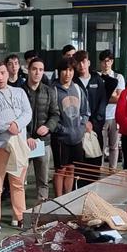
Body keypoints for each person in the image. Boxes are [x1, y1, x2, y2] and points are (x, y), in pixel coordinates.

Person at [0, 59, 33, 232]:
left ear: (8, 73)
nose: (0, 77)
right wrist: (7, 126)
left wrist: (17, 124)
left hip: (18, 143)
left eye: (3, 73)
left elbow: (28, 112)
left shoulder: (19, 91)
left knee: (18, 183)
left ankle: (20, 217)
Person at [23, 56, 59, 209]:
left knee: (43, 180)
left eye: (40, 70)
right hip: (23, 142)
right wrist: (26, 136)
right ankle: (20, 212)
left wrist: (48, 127)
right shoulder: (19, 91)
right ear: (28, 70)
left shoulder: (49, 91)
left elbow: (55, 114)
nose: (37, 72)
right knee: (19, 180)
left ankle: (41, 210)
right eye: (34, 69)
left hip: (43, 142)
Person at [51, 58, 86, 197]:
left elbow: (85, 111)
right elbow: (50, 115)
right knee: (60, 170)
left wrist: (81, 128)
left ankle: (68, 198)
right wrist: (61, 130)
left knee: (71, 168)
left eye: (70, 70)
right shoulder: (53, 90)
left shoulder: (77, 88)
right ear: (59, 72)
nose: (67, 73)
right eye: (64, 70)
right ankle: (59, 200)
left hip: (77, 137)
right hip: (60, 138)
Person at [73, 51, 106, 168]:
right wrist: (83, 122)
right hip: (78, 127)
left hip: (95, 127)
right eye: (78, 63)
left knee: (95, 160)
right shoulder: (73, 81)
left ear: (89, 62)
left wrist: (94, 122)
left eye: (84, 62)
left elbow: (102, 102)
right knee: (80, 162)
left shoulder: (97, 80)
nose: (81, 65)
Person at [99, 50, 125, 169]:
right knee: (101, 146)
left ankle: (112, 170)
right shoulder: (97, 77)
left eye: (108, 61)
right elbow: (97, 98)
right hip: (101, 116)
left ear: (112, 62)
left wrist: (104, 97)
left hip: (115, 116)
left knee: (114, 146)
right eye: (103, 61)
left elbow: (119, 98)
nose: (106, 64)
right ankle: (99, 169)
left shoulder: (118, 77)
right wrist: (111, 95)